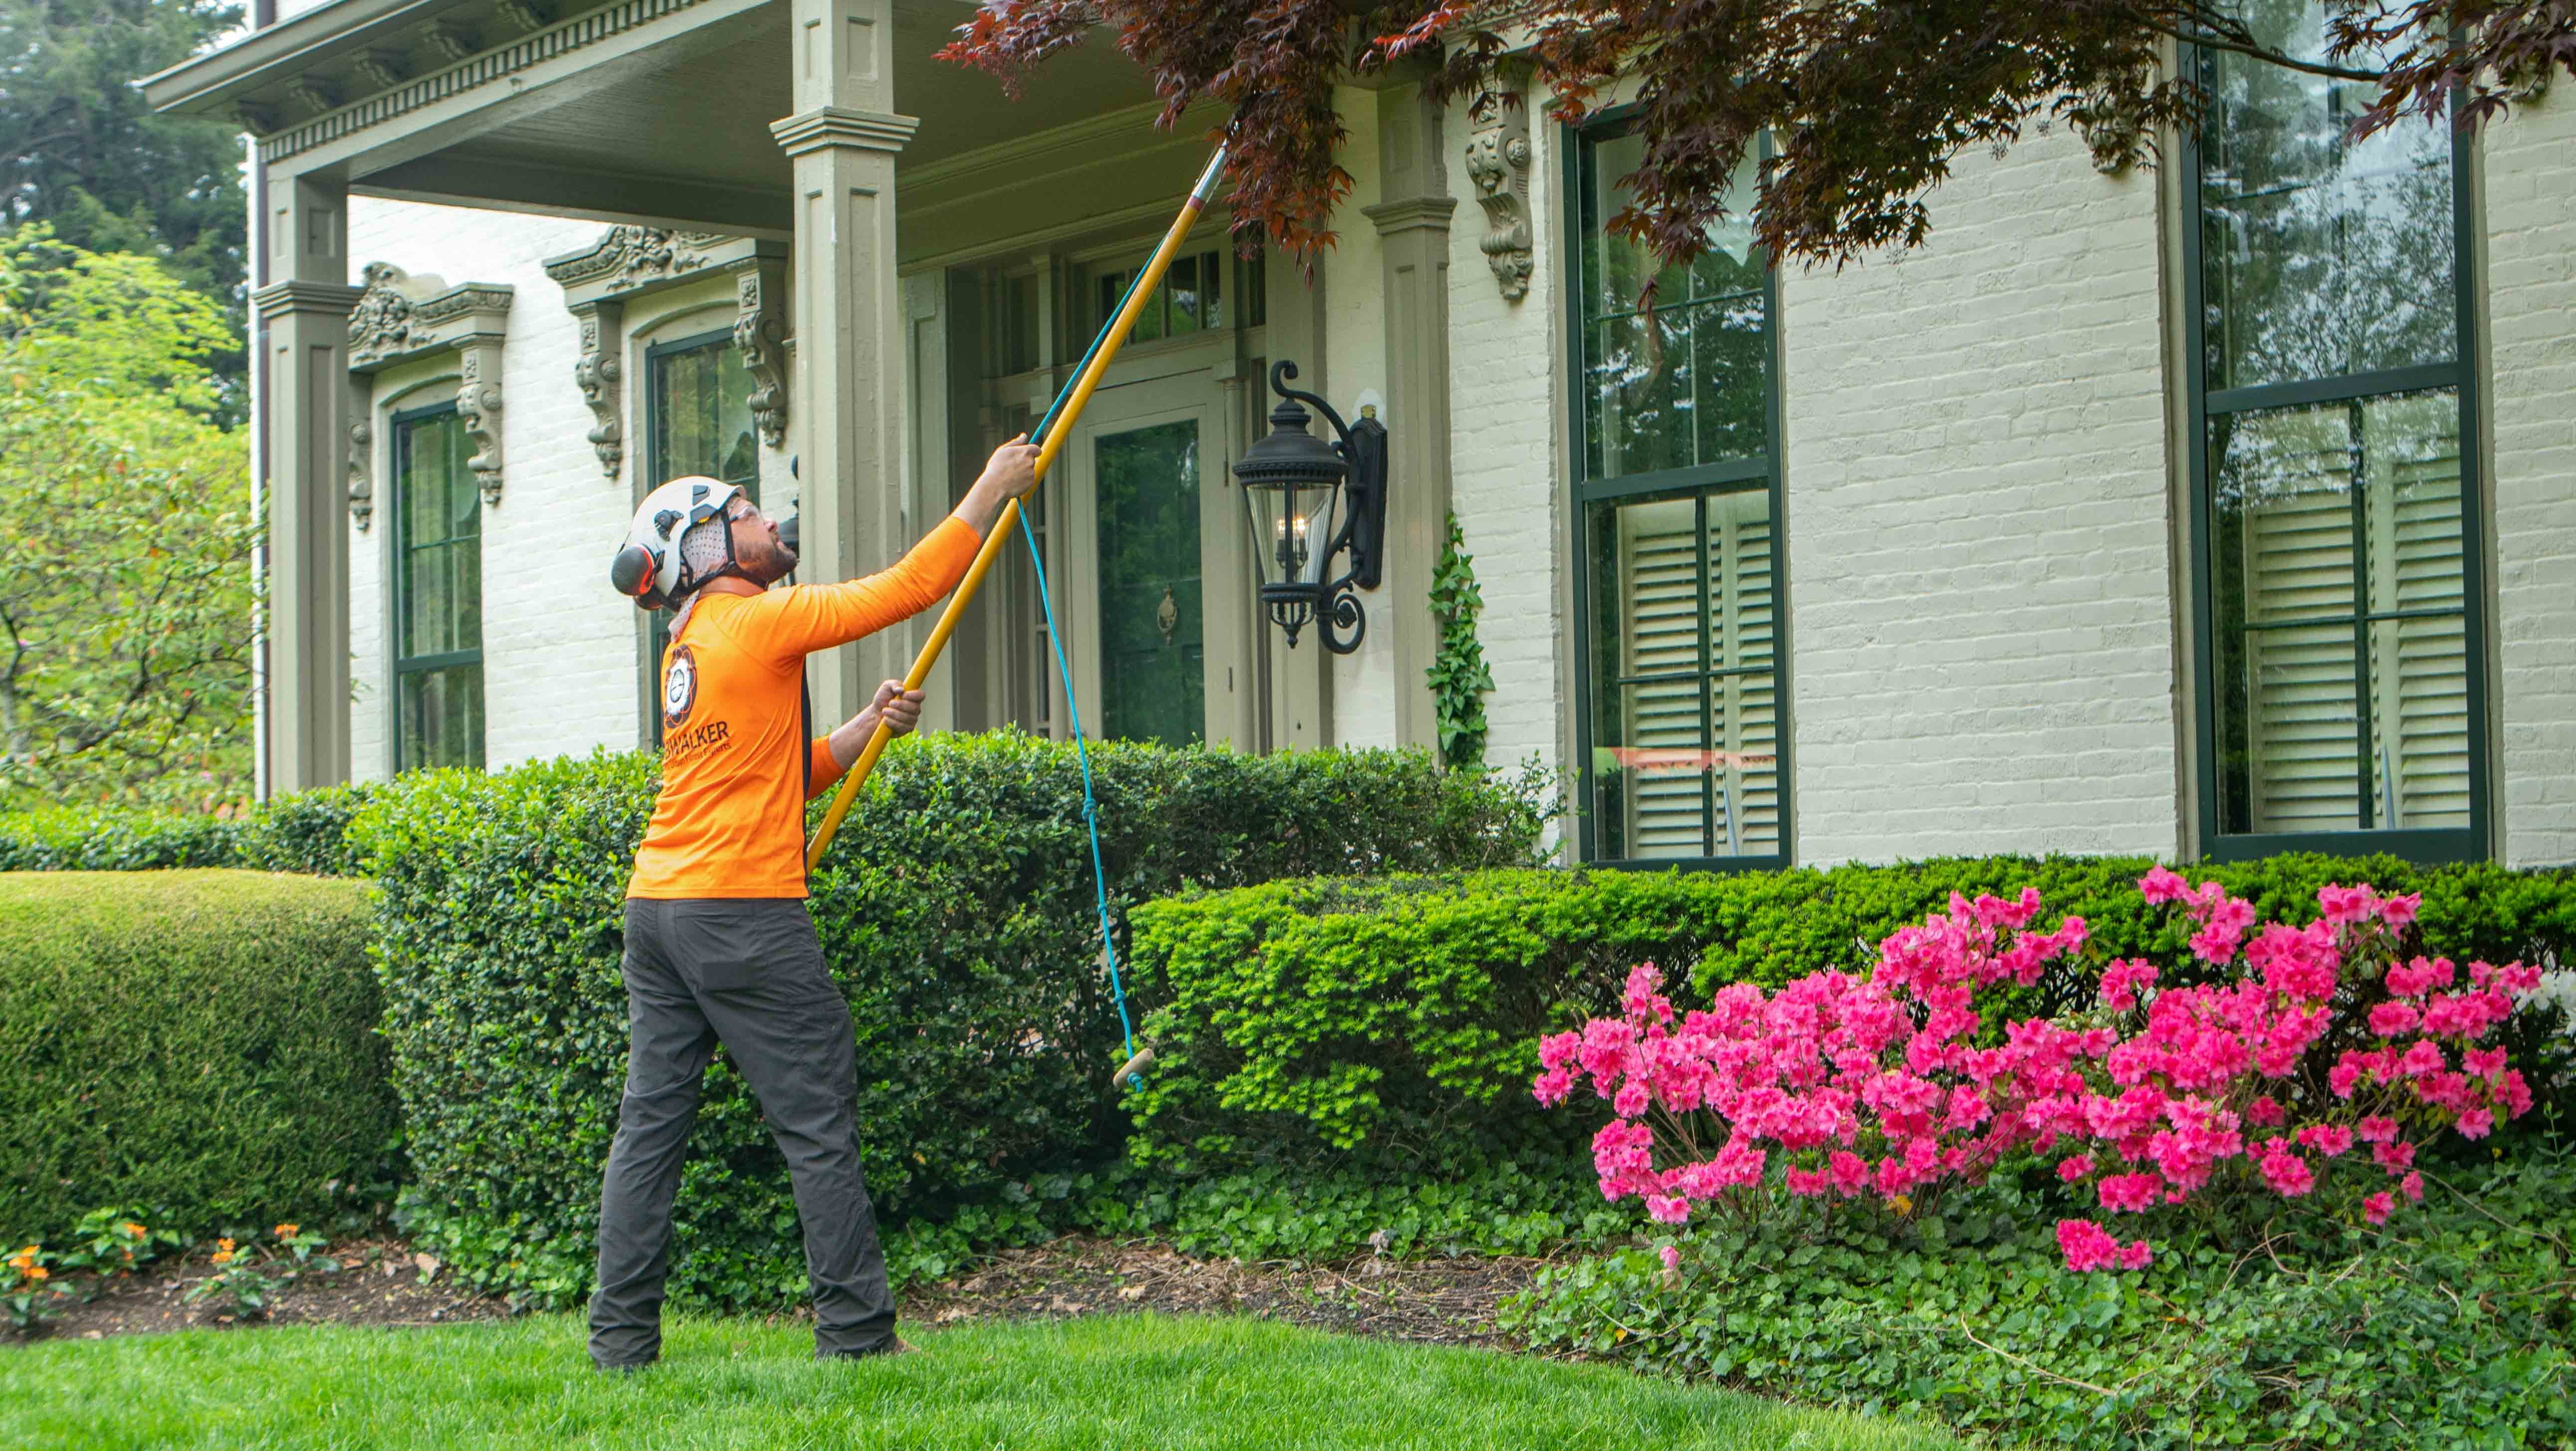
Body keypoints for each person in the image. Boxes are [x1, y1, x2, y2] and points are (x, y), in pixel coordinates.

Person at [590, 437, 1040, 1370]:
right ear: (705, 551)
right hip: (743, 914)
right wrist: (990, 489)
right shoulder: (750, 619)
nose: (767, 522)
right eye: (745, 513)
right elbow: (908, 589)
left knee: (650, 1131)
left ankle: (620, 1345)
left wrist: (861, 729)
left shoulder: (691, 647)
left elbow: (773, 773)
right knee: (818, 1123)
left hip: (660, 911)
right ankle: (859, 1336)